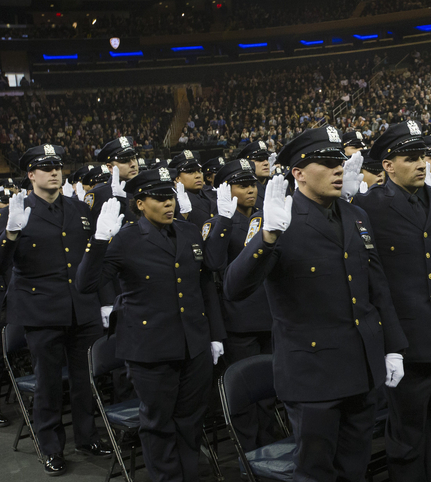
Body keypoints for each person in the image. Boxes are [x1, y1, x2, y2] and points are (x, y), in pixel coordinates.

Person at [225, 126, 408, 482]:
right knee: (316, 473)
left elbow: (377, 288)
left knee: (355, 468)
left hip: (361, 366)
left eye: (339, 162)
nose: (339, 169)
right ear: (298, 173)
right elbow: (234, 287)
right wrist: (268, 237)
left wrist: (394, 347)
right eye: (326, 163)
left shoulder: (356, 216)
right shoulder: (278, 217)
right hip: (313, 377)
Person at [75, 168, 226, 482]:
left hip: (193, 344)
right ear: (140, 203)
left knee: (190, 422)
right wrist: (100, 239)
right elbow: (85, 285)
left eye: (170, 196)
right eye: (159, 198)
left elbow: (205, 282)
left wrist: (214, 335)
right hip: (151, 350)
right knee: (158, 425)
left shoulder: (187, 231)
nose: (168, 203)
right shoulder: (126, 238)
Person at [354, 121, 431, 481]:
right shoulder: (368, 208)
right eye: (411, 157)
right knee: (406, 438)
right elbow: (371, 285)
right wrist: (389, 344)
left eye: (426, 157)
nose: (423, 164)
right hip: (405, 344)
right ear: (387, 165)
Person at [0, 144, 111, 476]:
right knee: (48, 385)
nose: (54, 171)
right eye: (45, 167)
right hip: (41, 311)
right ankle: (50, 448)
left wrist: (102, 300)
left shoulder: (79, 209)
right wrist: (10, 234)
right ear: (31, 174)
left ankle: (86, 437)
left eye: (57, 166)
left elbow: (92, 260)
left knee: (83, 380)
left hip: (81, 308)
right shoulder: (15, 212)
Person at [201, 159, 278, 450]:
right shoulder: (215, 223)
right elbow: (214, 263)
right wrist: (223, 220)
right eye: (242, 185)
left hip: (269, 315)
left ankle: (268, 446)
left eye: (252, 184)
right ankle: (249, 452)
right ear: (226, 189)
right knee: (245, 393)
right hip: (238, 318)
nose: (251, 189)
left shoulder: (267, 217)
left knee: (270, 392)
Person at [83, 136, 139, 226]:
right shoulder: (98, 194)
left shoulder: (144, 188)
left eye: (134, 158)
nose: (133, 164)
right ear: (110, 167)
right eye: (125, 160)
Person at [169, 150, 213, 230]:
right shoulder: (174, 201)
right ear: (178, 178)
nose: (197, 176)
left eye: (199, 171)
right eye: (190, 172)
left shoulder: (213, 194)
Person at [238, 140, 271, 206]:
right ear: (248, 163)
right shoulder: (243, 189)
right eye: (259, 160)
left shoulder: (279, 184)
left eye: (267, 159)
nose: (266, 163)